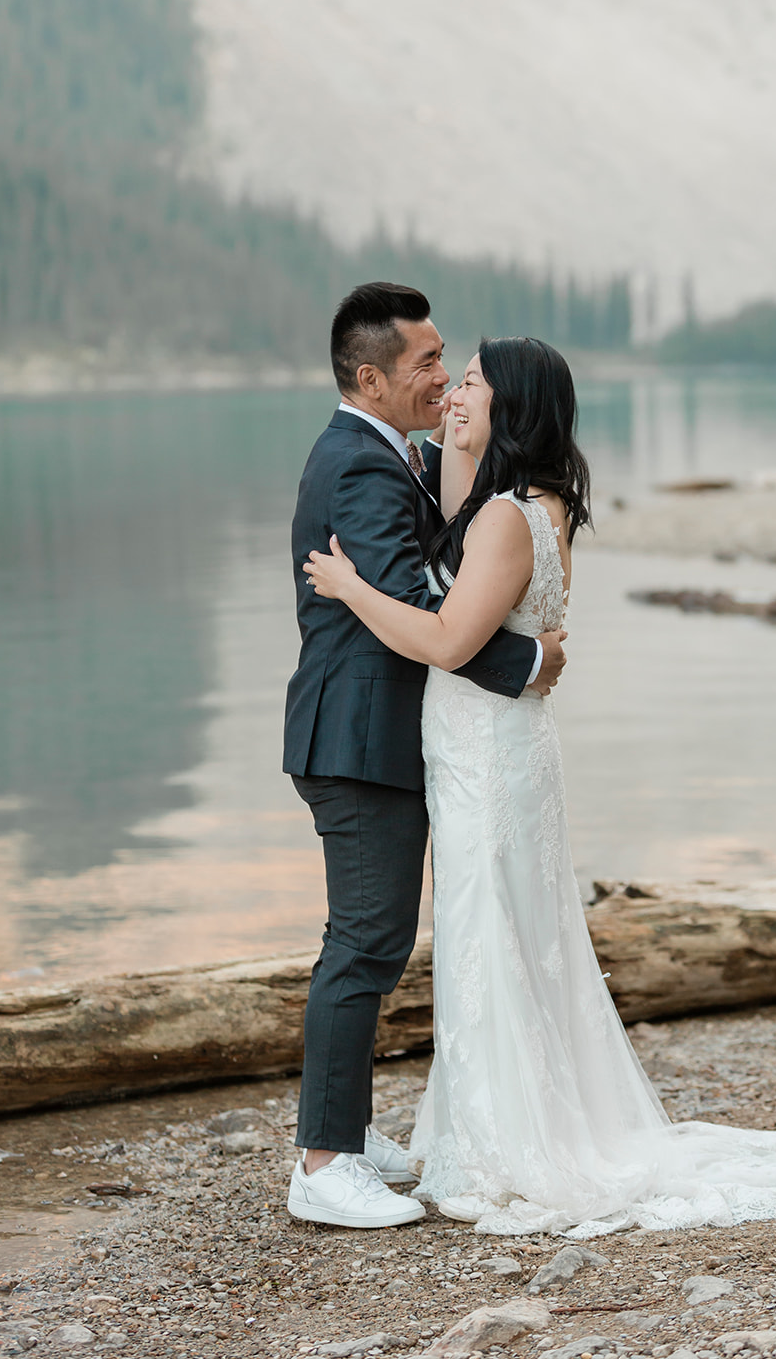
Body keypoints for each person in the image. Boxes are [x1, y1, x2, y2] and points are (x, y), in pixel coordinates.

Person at [303, 335, 776, 1237]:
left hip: (487, 755)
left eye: (468, 381)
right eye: (443, 372)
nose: (453, 387)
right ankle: (457, 1122)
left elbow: (444, 638)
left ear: (511, 403)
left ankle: (485, 1134)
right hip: (496, 747)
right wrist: (529, 639)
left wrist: (347, 585)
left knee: (489, 928)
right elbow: (467, 552)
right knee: (500, 927)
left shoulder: (509, 515)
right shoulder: (532, 500)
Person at [283, 284, 568, 1230]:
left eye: (451, 361)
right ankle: (322, 1164)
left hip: (388, 737)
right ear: (370, 377)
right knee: (364, 941)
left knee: (379, 940)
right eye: (426, 364)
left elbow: (450, 556)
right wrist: (525, 659)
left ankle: (349, 1132)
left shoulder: (392, 453)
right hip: (356, 739)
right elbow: (427, 611)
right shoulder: (358, 466)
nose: (443, 378)